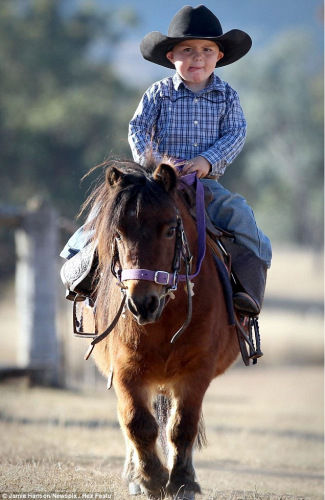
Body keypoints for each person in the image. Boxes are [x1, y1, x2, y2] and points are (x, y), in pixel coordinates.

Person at [128, 4, 272, 315]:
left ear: (219, 56)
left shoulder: (227, 96)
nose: (198, 57)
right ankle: (81, 267)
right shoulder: (158, 93)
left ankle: (247, 292)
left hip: (204, 184)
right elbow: (137, 127)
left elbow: (236, 133)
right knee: (110, 209)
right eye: (188, 49)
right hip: (159, 186)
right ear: (171, 56)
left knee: (242, 218)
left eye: (207, 49)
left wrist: (207, 160)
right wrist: (150, 163)